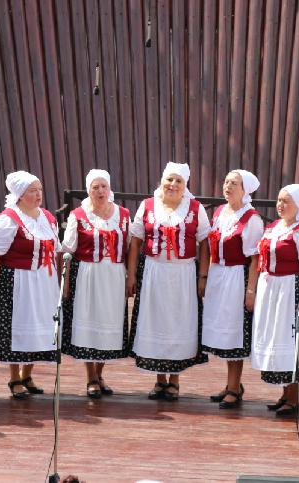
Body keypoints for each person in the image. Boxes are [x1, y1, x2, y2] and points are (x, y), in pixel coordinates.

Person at [126, 162, 210, 401]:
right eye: (169, 180)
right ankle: (159, 379)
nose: (173, 185)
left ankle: (175, 380)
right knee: (156, 322)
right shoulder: (147, 206)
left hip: (183, 274)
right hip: (154, 271)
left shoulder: (196, 209)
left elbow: (205, 242)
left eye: (178, 181)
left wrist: (203, 275)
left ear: (185, 186)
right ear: (162, 181)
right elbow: (135, 242)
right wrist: (131, 275)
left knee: (179, 323)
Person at [0, 171, 60, 398]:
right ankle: (14, 377)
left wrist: (57, 283)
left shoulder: (47, 217)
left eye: (40, 190)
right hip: (18, 281)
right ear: (19, 195)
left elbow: (55, 251)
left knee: (40, 327)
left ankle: (28, 374)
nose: (38, 194)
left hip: (44, 281)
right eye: (32, 191)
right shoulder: (8, 219)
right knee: (18, 328)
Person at [251, 184, 299, 416]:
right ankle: (284, 394)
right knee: (275, 339)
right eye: (279, 201)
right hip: (271, 288)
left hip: (290, 288)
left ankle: (293, 397)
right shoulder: (274, 227)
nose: (281, 206)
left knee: (289, 341)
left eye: (286, 202)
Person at [61, 169, 130, 398]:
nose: (100, 191)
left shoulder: (123, 214)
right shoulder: (78, 215)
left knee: (108, 324)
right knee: (90, 323)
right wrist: (66, 283)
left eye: (104, 187)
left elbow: (130, 247)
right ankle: (90, 376)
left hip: (114, 276)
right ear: (89, 190)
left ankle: (100, 374)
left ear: (109, 189)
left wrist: (131, 276)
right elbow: (68, 251)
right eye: (95, 187)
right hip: (88, 275)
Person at [201, 170, 263, 409]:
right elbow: (208, 246)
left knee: (234, 331)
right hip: (218, 274)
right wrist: (205, 276)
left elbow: (255, 258)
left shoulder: (251, 219)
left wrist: (250, 290)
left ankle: (235, 387)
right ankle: (231, 384)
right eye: (226, 181)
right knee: (223, 332)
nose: (227, 186)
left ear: (244, 189)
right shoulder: (219, 212)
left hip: (237, 276)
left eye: (234, 183)